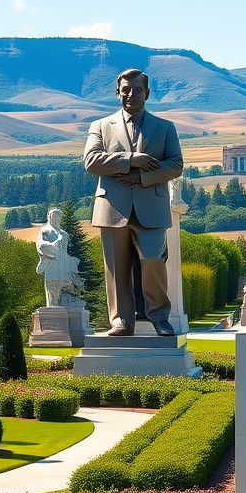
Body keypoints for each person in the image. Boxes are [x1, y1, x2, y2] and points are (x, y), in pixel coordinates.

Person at [84, 69, 184, 336]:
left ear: (147, 93)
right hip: (113, 207)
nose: (130, 94)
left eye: (137, 89)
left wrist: (143, 176)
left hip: (151, 206)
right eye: (125, 89)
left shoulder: (165, 127)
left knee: (153, 257)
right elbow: (91, 161)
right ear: (118, 92)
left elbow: (175, 164)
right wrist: (130, 159)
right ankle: (120, 320)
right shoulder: (101, 126)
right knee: (116, 267)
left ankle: (159, 316)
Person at [36, 208, 82, 306]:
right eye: (54, 216)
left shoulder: (64, 234)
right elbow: (41, 245)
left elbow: (66, 252)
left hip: (64, 270)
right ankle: (53, 320)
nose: (56, 218)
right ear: (49, 217)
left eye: (58, 216)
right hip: (52, 269)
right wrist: (55, 245)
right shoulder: (45, 230)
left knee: (69, 295)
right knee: (53, 299)